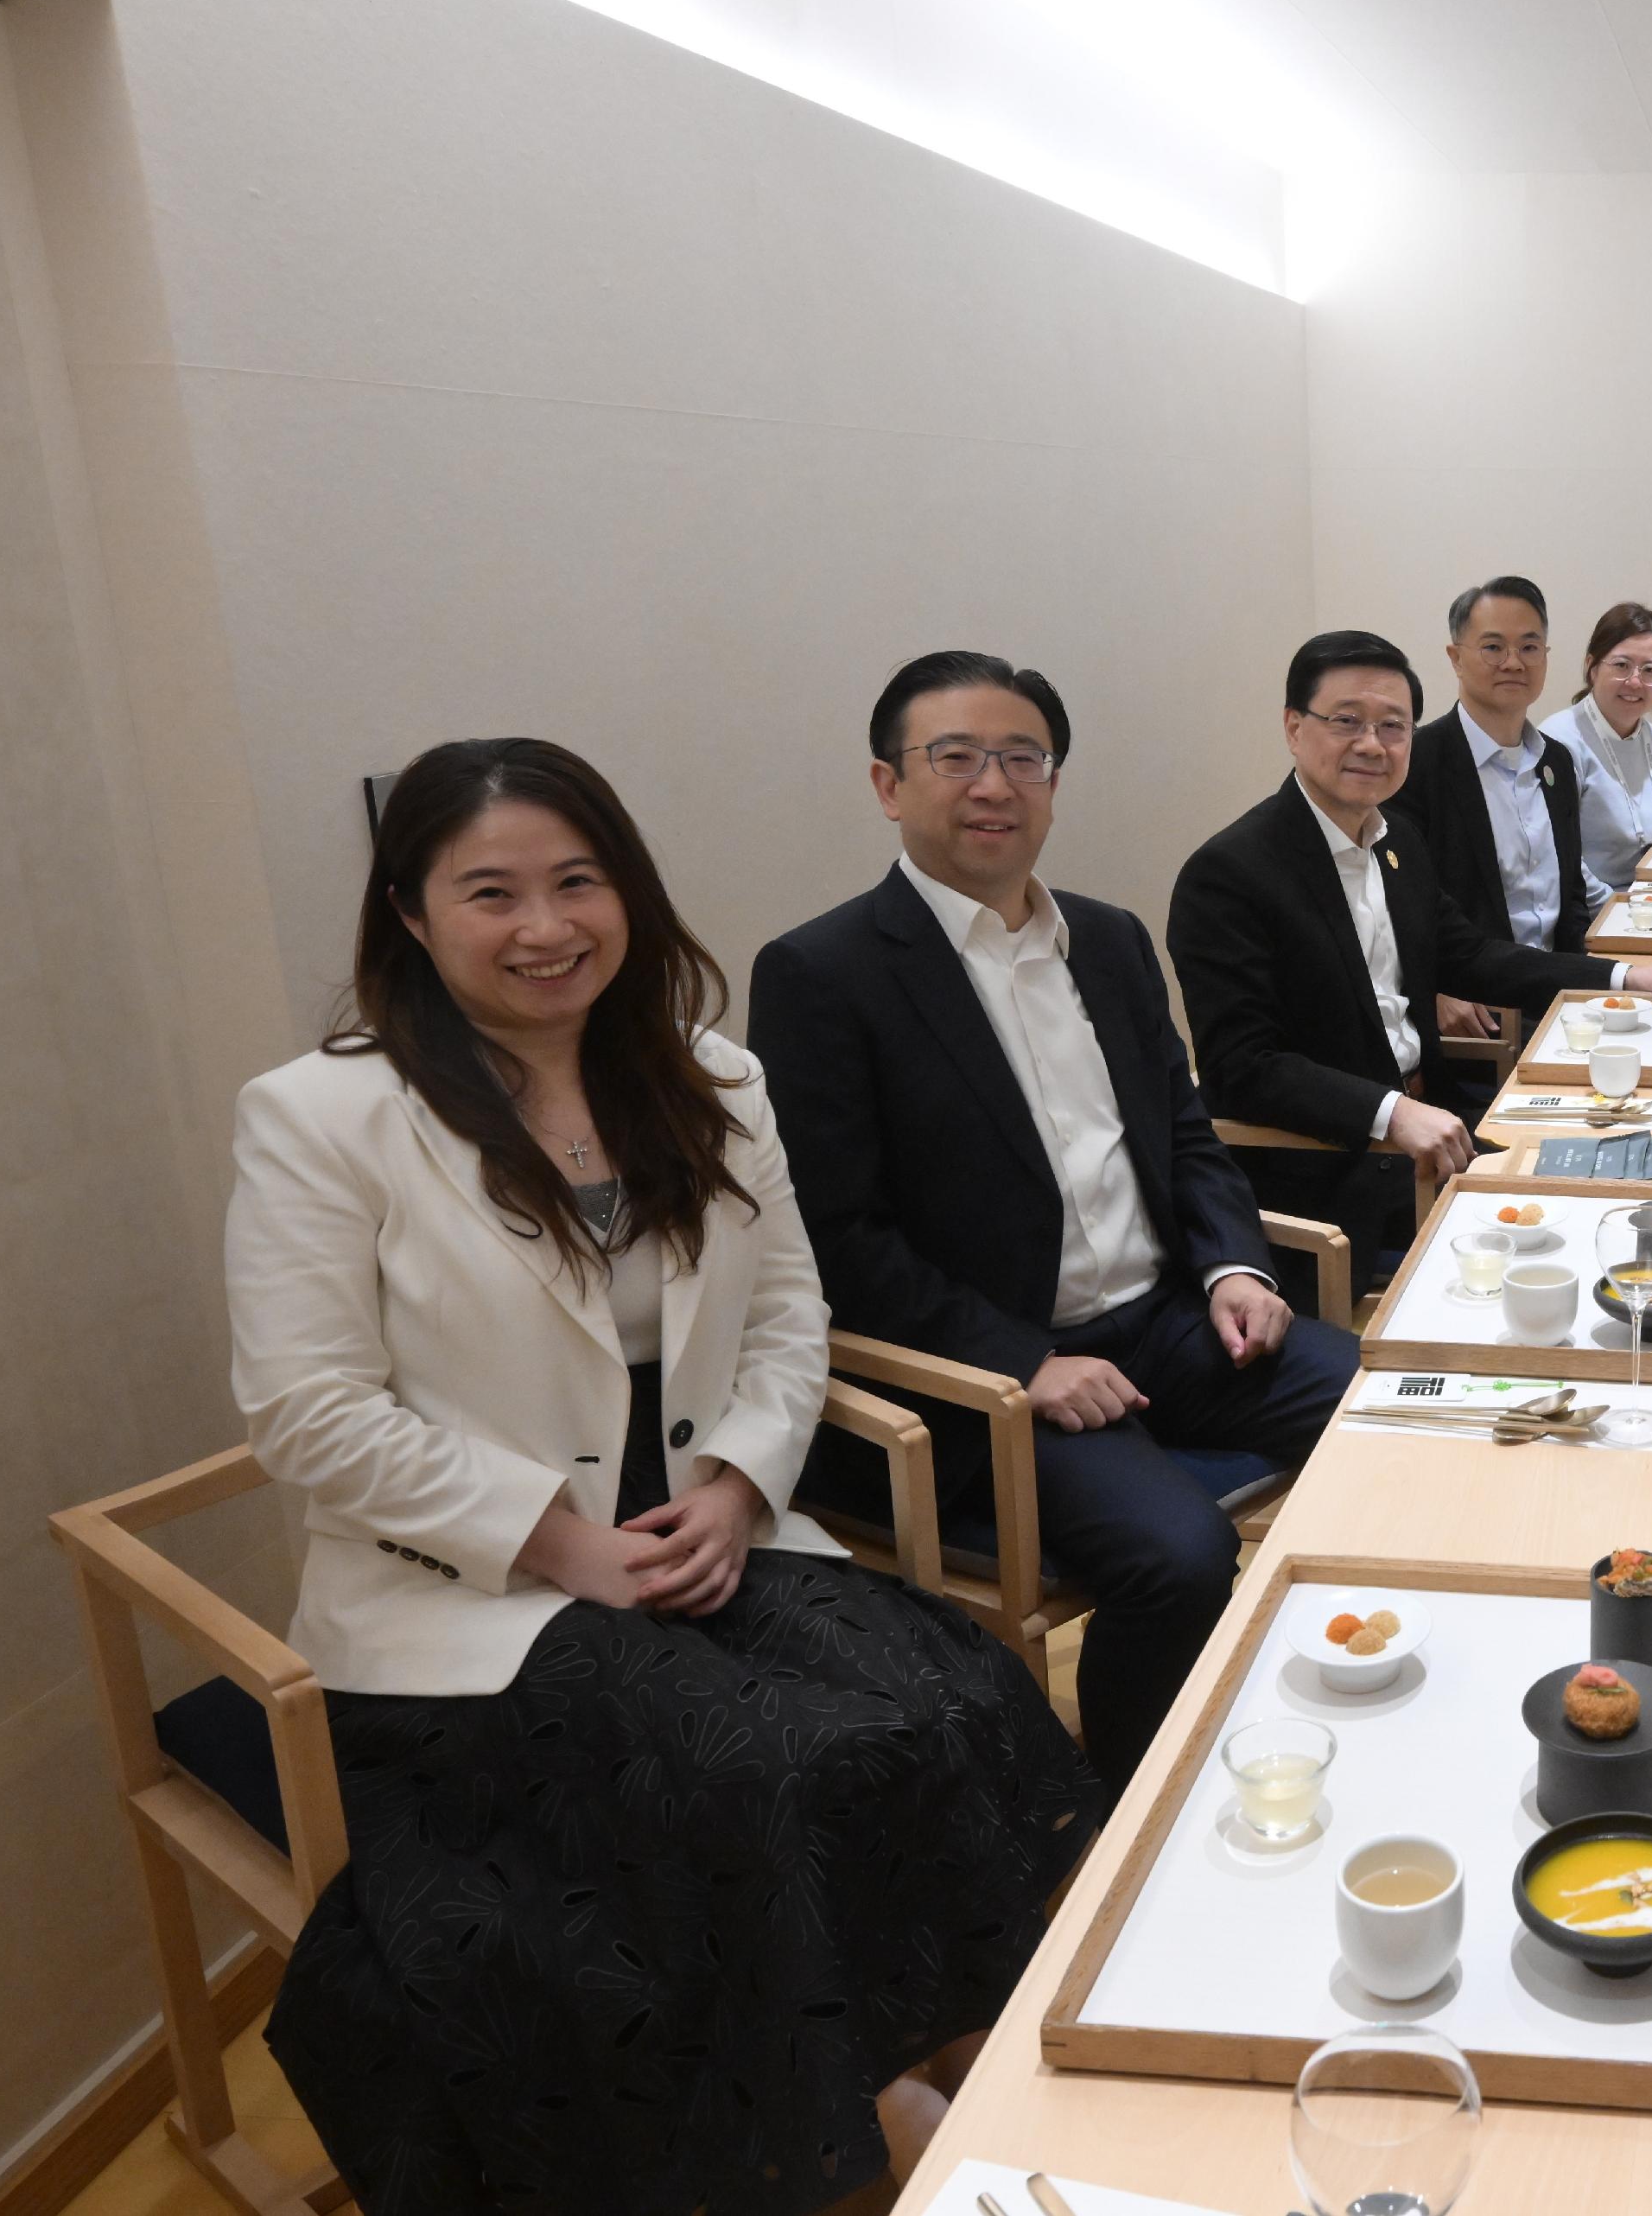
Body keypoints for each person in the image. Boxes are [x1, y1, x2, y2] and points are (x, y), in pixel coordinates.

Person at [231, 739, 1099, 2216]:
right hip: (481, 1593)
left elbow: (788, 1313)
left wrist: (744, 1484)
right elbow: (304, 1411)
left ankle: (980, 2056)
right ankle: (864, 2122)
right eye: (490, 892)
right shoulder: (322, 1116)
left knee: (960, 1695)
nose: (544, 925)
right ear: (411, 912)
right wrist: (552, 1539)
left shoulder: (711, 1075)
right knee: (770, 1771)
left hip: (708, 1530)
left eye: (578, 881)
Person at [750, 651, 1364, 1786]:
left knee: (1393, 1414)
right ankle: (1131, 1797)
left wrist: (1235, 1267)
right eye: (957, 757)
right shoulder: (822, 973)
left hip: (1169, 1322)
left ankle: (1343, 1692)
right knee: (1178, 1553)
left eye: (1023, 758)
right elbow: (839, 1239)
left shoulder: (1109, 938)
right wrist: (1024, 1361)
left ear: (1053, 782)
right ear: (889, 784)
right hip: (988, 1381)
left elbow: (1186, 1136)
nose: (995, 784)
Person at [1168, 630, 1652, 1270]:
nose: (1372, 744)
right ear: (1294, 728)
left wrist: (1626, 975)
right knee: (1589, 1250)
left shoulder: (1397, 843)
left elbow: (1472, 957)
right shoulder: (1231, 873)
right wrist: (1390, 1113)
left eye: (1393, 726)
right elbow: (1241, 1066)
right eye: (1346, 721)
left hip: (1435, 1125)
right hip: (1339, 1169)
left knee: (1642, 1170)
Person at [1396, 576, 1592, 1068]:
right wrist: (1432, 990)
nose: (1514, 662)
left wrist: (1586, 985)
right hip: (1475, 1018)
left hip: (1559, 1004)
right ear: (1455, 657)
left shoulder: (1556, 762)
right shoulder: (1416, 763)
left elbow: (1570, 894)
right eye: (1492, 647)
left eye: (1529, 646)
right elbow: (1397, 903)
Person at [1546, 601, 1652, 900]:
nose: (1635, 681)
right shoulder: (1559, 743)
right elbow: (1554, 855)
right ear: (1592, 667)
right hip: (1584, 908)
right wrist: (1616, 906)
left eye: (1650, 670)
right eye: (1621, 665)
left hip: (1648, 902)